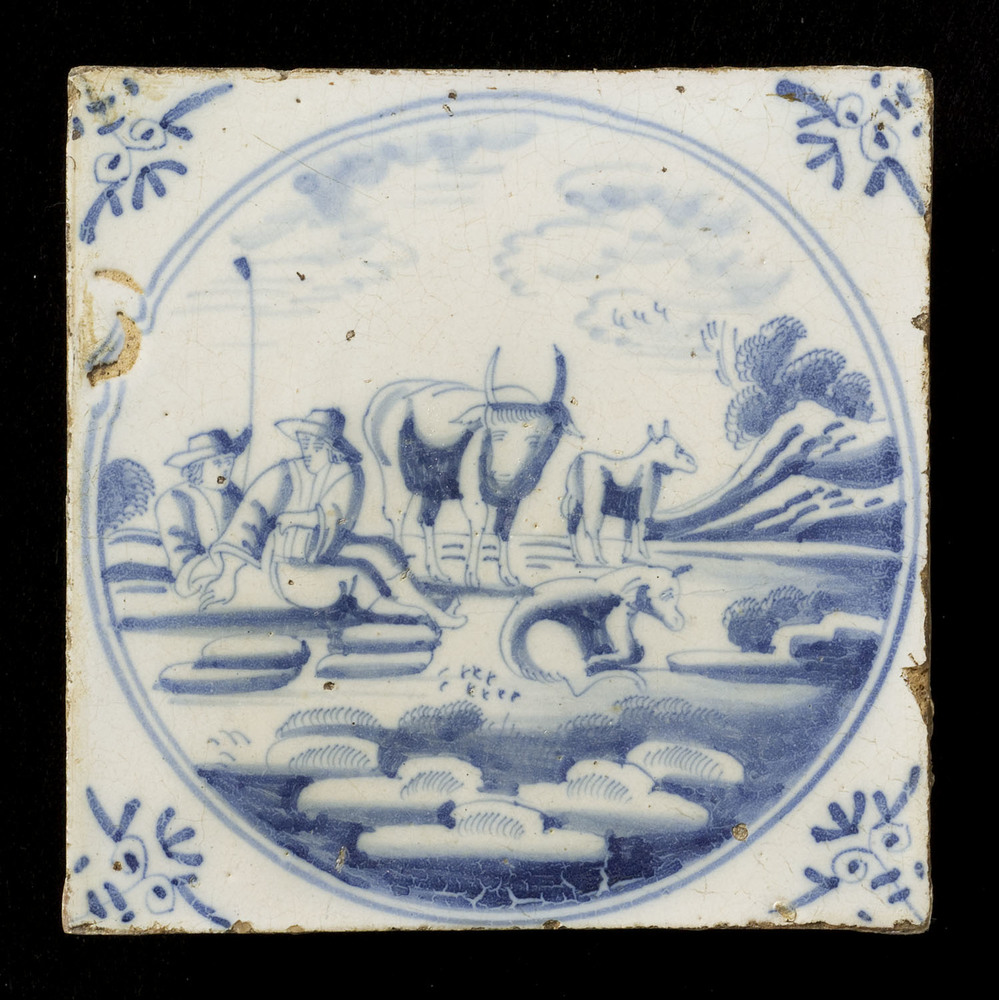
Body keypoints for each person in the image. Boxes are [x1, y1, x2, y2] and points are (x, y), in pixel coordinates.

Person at [199, 408, 464, 628]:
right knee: (359, 577)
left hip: (325, 551)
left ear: (331, 445)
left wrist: (296, 519)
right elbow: (249, 517)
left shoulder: (346, 472)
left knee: (385, 550)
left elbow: (334, 516)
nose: (307, 447)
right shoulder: (285, 473)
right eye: (303, 440)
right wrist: (228, 575)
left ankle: (427, 606)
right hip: (290, 568)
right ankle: (415, 613)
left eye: (314, 442)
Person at [155, 427, 251, 597]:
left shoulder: (234, 495)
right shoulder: (176, 498)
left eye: (229, 462)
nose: (225, 469)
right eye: (217, 463)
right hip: (195, 581)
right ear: (197, 466)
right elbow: (182, 557)